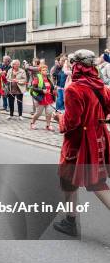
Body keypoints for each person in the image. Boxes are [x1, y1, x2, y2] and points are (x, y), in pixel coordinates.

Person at [53, 50, 110, 237]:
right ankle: (70, 220)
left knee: (67, 180)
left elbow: (72, 123)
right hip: (99, 138)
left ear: (77, 66)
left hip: (78, 143)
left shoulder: (74, 89)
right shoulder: (101, 85)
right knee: (97, 182)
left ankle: (70, 222)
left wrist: (58, 117)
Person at [30, 64, 56, 131]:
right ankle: (32, 123)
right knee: (38, 113)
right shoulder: (37, 78)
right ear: (40, 71)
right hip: (40, 99)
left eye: (46, 70)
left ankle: (48, 125)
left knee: (49, 113)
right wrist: (42, 91)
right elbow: (33, 88)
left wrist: (54, 90)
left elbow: (51, 88)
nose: (45, 71)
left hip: (49, 98)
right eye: (43, 70)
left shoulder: (48, 78)